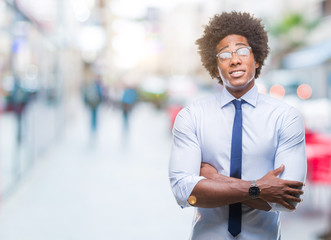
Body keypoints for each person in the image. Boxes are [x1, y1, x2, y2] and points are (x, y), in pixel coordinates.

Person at [169, 11, 307, 240]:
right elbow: (184, 193)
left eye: (242, 51)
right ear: (215, 68)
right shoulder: (191, 117)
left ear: (257, 59)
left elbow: (287, 200)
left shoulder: (286, 117)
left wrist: (214, 180)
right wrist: (259, 188)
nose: (235, 59)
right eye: (224, 54)